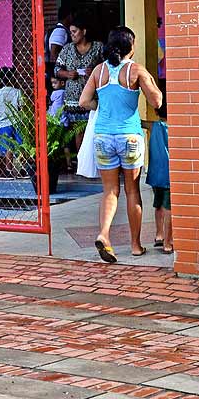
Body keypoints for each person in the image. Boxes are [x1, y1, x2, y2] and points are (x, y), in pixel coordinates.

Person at [79, 26, 163, 263]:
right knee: (132, 190)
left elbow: (84, 101)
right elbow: (156, 101)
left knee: (109, 191)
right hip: (130, 137)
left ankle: (104, 234)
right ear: (131, 47)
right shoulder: (135, 70)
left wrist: (103, 107)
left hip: (103, 137)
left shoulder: (99, 71)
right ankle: (136, 246)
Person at [55, 18, 104, 149]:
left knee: (95, 130)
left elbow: (108, 68)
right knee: (79, 131)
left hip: (93, 98)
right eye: (70, 32)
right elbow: (57, 69)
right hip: (73, 100)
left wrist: (94, 71)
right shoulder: (67, 49)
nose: (72, 35)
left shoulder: (98, 48)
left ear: (84, 31)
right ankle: (82, 163)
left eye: (74, 31)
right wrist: (67, 74)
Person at [146, 96, 171, 255]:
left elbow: (139, 122)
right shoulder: (176, 127)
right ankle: (168, 242)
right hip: (170, 174)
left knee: (158, 205)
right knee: (169, 207)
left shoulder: (152, 125)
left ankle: (159, 234)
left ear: (155, 110)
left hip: (156, 173)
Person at [0, 66, 23, 177]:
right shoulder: (17, 92)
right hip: (17, 122)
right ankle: (23, 169)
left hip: (4, 124)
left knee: (8, 147)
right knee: (20, 145)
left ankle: (9, 171)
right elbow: (21, 106)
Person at [48, 6, 74, 75]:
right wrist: (61, 70)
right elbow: (53, 54)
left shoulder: (63, 30)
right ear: (68, 16)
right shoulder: (60, 31)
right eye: (72, 15)